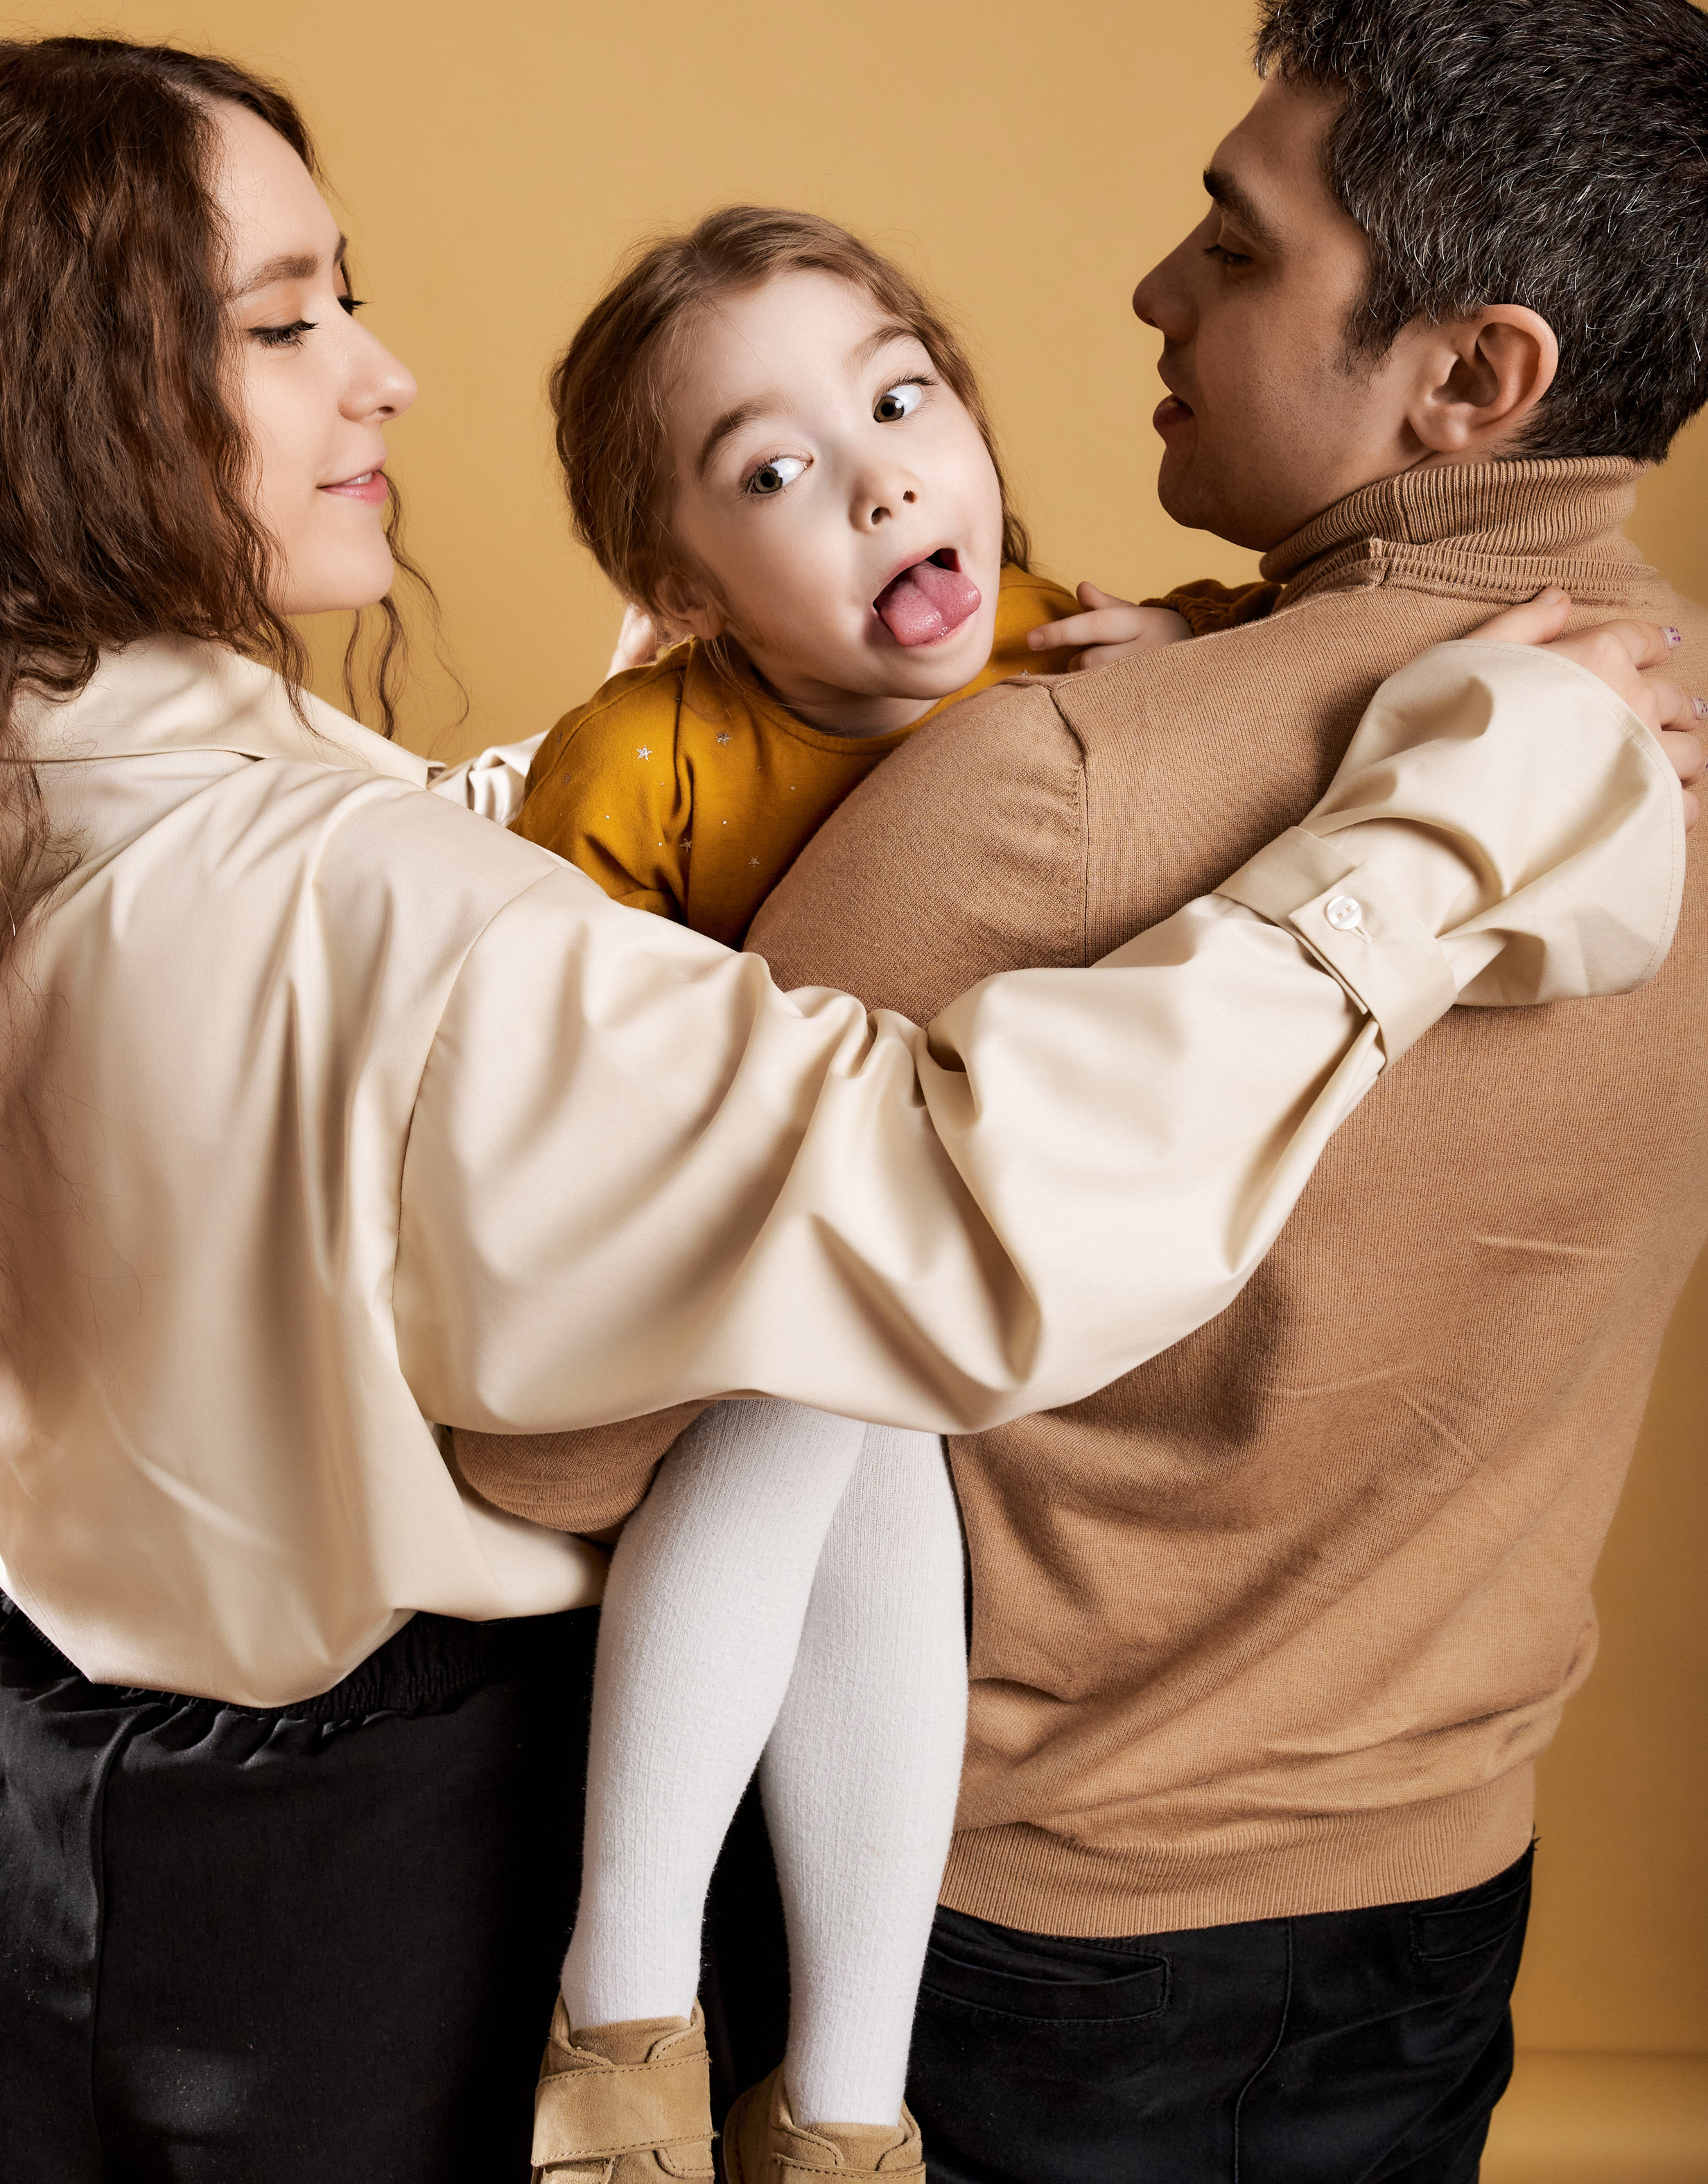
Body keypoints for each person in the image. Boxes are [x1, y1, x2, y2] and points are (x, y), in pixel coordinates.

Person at [0, 37, 1688, 2184]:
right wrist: (1457, 825)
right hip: (369, 1921)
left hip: (24, 1827)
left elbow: (376, 894)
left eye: (343, 294)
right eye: (285, 321)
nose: (383, 374)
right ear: (60, 398)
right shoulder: (430, 905)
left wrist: (652, 761)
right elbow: (942, 1216)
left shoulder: (22, 780)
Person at [735, 0, 1708, 2184]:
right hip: (1440, 1909)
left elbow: (610, 1386)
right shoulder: (1663, 720)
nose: (1154, 292)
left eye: (1238, 244)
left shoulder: (1046, 783)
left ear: (1473, 373)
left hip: (973, 1940)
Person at [460, 205, 1190, 2182]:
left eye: (901, 399)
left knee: (872, 1411)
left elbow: (1304, 688)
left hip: (950, 1263)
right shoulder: (640, 755)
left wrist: (1209, 653)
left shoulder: (1094, 651)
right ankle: (648, 2021)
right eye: (775, 473)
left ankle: (823, 2102)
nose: (880, 477)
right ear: (679, 583)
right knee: (822, 1383)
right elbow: (543, 1039)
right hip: (699, 1252)